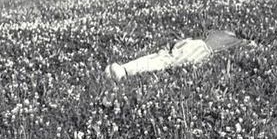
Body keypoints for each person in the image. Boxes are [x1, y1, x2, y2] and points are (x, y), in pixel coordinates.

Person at [104, 30, 248, 81]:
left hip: (197, 47)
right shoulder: (230, 38)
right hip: (197, 47)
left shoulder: (230, 39)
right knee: (165, 59)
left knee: (164, 59)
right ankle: (124, 69)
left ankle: (125, 69)